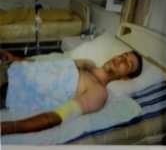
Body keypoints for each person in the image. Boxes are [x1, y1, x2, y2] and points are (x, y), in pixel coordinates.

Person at [0, 49, 143, 136]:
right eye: (123, 55)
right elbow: (46, 67)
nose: (121, 60)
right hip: (10, 68)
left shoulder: (98, 93)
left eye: (128, 64)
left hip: (9, 90)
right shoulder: (87, 63)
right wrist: (16, 59)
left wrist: (7, 128)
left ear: (125, 78)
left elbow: (56, 117)